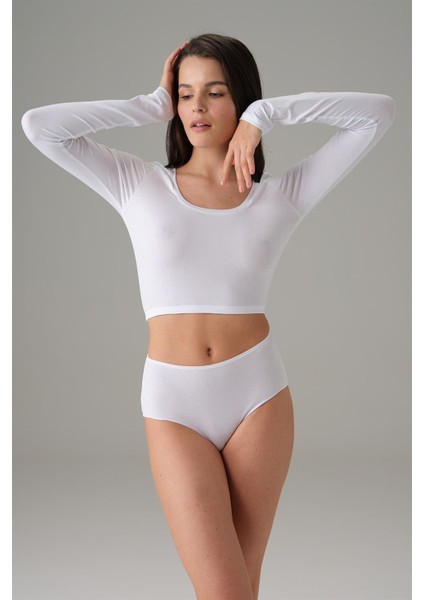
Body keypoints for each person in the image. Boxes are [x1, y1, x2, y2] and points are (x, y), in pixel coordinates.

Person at [21, 33, 395, 600]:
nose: (196, 107)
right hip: (175, 402)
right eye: (185, 93)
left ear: (241, 99)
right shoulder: (138, 182)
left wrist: (266, 115)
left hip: (258, 397)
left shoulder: (282, 195)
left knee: (242, 586)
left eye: (215, 93)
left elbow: (377, 114)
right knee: (225, 590)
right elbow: (39, 126)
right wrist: (148, 104)